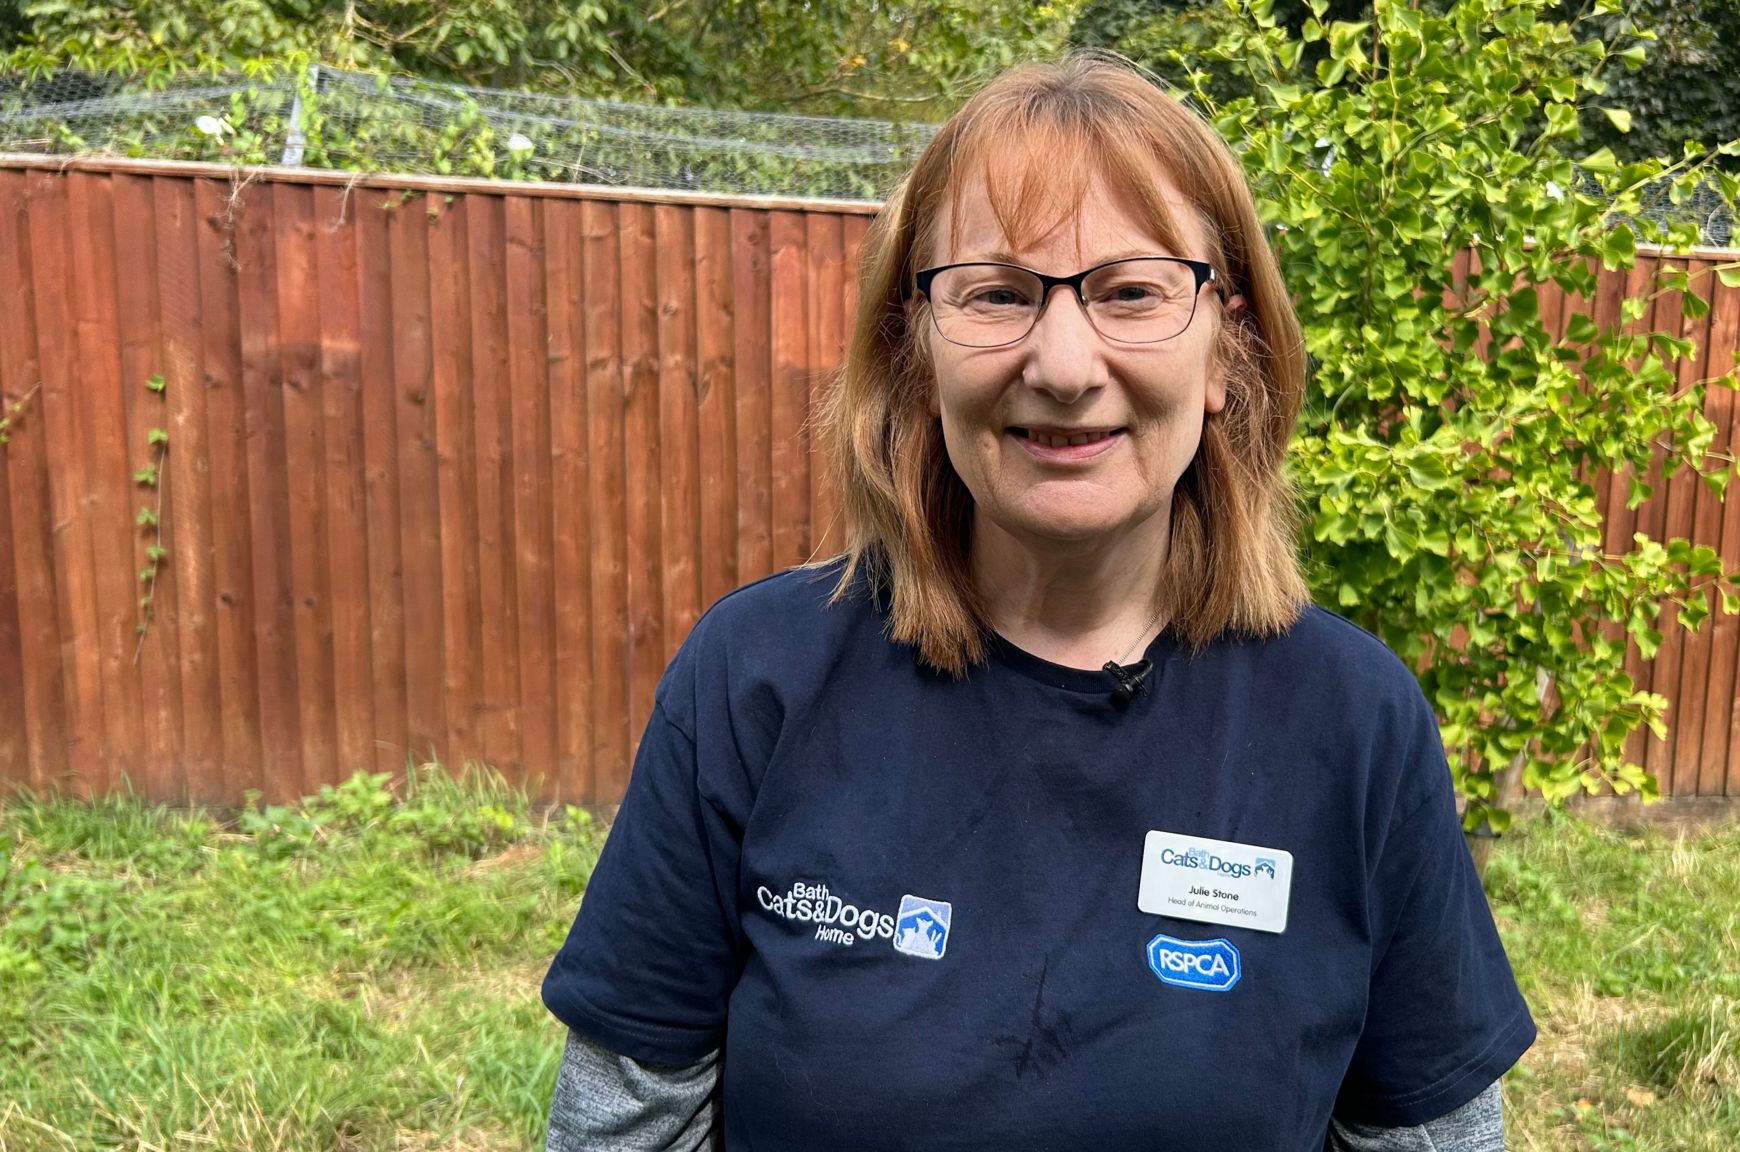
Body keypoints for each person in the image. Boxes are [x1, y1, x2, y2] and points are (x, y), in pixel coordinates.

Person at [540, 53, 1536, 1151]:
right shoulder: (755, 681)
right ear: (914, 352)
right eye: (998, 294)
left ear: (1227, 349)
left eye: (1131, 291)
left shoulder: (1352, 725)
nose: (1063, 364)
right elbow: (622, 1130)